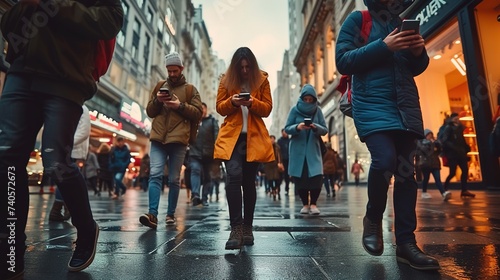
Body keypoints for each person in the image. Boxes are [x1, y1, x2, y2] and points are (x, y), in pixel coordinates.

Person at [0, 1, 123, 277]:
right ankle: (10, 250)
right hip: (21, 71)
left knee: (55, 161)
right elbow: (7, 25)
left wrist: (51, 5)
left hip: (66, 77)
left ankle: (86, 226)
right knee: (8, 158)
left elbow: (110, 20)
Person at [336, 0, 440, 270]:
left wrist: (419, 53)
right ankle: (373, 219)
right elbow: (343, 60)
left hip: (404, 106)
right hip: (372, 105)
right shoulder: (359, 20)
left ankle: (406, 244)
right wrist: (384, 46)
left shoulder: (400, 22)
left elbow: (415, 68)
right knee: (384, 161)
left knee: (406, 174)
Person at [213, 47, 274, 250]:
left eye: (248, 67)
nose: (245, 71)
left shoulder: (263, 80)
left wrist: (252, 102)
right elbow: (219, 107)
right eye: (242, 67)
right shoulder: (226, 80)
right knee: (233, 176)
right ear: (236, 67)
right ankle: (236, 228)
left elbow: (267, 109)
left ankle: (248, 228)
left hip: (254, 138)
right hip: (232, 137)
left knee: (248, 182)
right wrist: (232, 101)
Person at [139, 52, 203, 229]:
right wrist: (158, 101)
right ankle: (152, 214)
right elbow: (150, 111)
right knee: (155, 174)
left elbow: (198, 113)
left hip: (179, 141)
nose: (172, 74)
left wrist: (179, 106)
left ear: (181, 69)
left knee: (174, 179)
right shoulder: (160, 85)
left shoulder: (190, 90)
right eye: (169, 71)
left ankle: (170, 214)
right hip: (159, 138)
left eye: (175, 70)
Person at [284, 84, 327, 215]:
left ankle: (313, 204)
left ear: (314, 99)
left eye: (310, 99)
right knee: (300, 178)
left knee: (316, 177)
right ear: (302, 98)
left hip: (313, 150)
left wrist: (315, 127)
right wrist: (298, 127)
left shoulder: (317, 111)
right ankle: (305, 204)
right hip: (298, 150)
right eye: (306, 99)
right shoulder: (294, 110)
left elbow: (325, 130)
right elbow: (287, 128)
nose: (308, 101)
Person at [49, 104, 91, 222]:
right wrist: (66, 144)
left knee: (64, 180)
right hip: (72, 152)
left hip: (68, 150)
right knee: (67, 180)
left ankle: (59, 209)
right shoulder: (82, 108)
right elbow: (84, 132)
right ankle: (61, 209)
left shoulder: (73, 107)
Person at [188, 102, 219, 206]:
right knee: (195, 170)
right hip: (194, 152)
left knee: (207, 176)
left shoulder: (212, 121)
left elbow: (216, 136)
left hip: (208, 153)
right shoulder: (193, 121)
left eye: (203, 108)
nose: (201, 110)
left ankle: (205, 198)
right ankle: (195, 195)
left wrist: (216, 150)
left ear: (206, 110)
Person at [440, 113, 475, 198]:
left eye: (457, 118)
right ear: (451, 119)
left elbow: (462, 139)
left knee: (465, 170)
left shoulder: (460, 128)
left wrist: (466, 147)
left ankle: (464, 190)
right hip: (452, 154)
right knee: (452, 173)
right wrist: (454, 147)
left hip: (461, 153)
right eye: (455, 118)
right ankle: (445, 188)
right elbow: (444, 140)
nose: (457, 120)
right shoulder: (448, 128)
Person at [416, 129, 451, 201]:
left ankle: (443, 193)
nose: (430, 137)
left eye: (431, 135)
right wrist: (432, 145)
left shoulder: (435, 143)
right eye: (428, 135)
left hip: (435, 163)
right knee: (426, 178)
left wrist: (437, 145)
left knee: (438, 179)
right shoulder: (421, 143)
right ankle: (424, 192)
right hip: (425, 164)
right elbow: (424, 150)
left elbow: (439, 151)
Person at [264, 135, 282, 201]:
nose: (271, 140)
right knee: (270, 180)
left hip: (276, 165)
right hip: (268, 166)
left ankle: (277, 190)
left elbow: (280, 156)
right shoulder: (266, 147)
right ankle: (273, 191)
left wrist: (280, 163)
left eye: (273, 139)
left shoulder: (277, 147)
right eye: (270, 139)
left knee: (277, 179)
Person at [277, 129, 291, 195]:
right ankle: (278, 188)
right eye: (283, 132)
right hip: (282, 161)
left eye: (286, 132)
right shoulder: (279, 141)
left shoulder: (290, 140)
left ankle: (287, 189)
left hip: (289, 160)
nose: (285, 133)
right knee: (280, 175)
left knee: (287, 176)